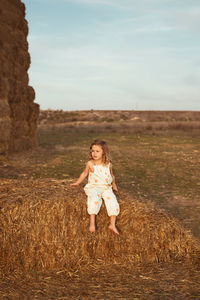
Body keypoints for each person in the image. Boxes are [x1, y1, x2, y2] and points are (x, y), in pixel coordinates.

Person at [70, 139, 120, 235]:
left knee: (113, 202)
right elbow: (84, 173)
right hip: (94, 187)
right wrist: (77, 183)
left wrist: (114, 186)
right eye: (92, 151)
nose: (94, 153)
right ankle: (92, 223)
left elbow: (112, 176)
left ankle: (112, 224)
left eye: (97, 151)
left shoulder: (108, 164)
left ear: (104, 152)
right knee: (94, 199)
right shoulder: (90, 163)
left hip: (106, 187)